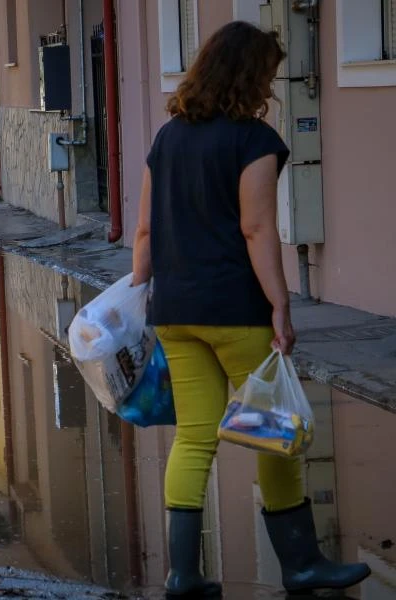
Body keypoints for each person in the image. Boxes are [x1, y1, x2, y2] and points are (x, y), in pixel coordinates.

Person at [130, 21, 370, 598]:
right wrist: (281, 305)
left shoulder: (168, 137)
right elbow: (257, 227)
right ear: (251, 73)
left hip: (175, 309)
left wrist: (140, 298)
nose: (272, 80)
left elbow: (142, 233)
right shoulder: (253, 139)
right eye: (268, 70)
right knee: (273, 429)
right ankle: (301, 565)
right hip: (234, 308)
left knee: (193, 437)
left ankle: (183, 574)